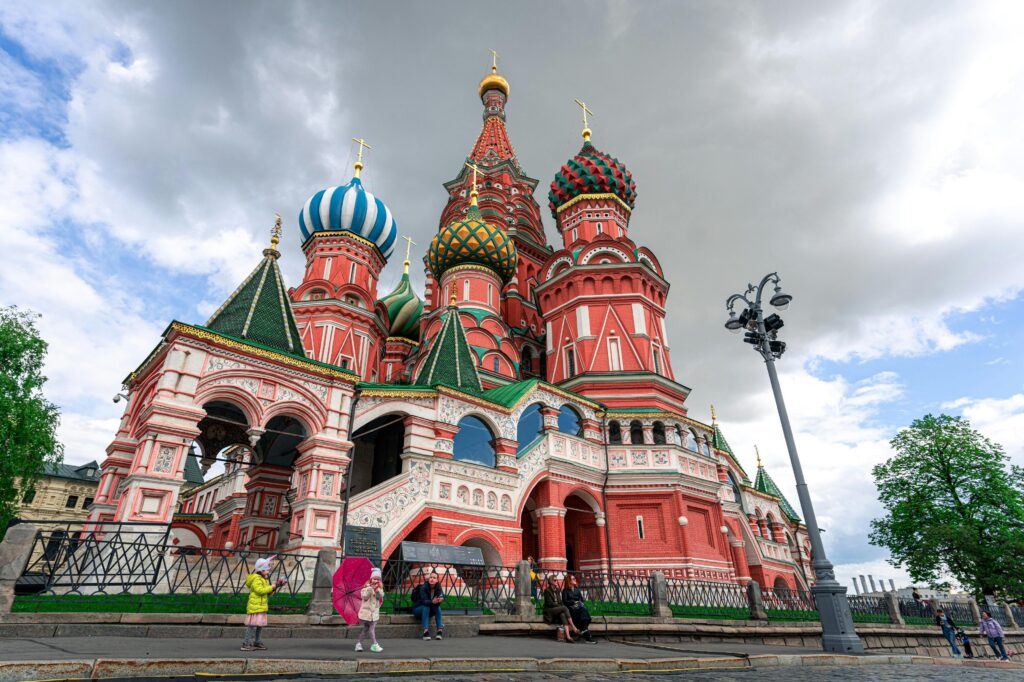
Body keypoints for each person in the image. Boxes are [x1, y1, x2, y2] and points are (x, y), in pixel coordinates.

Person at [241, 556, 286, 652]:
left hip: (261, 606)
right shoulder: (256, 579)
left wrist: (276, 586)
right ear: (261, 570)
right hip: (255, 606)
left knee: (259, 625)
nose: (268, 572)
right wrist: (271, 587)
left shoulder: (263, 580)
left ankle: (257, 642)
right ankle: (246, 643)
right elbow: (260, 591)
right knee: (252, 626)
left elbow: (266, 593)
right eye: (266, 570)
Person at [542, 575, 580, 642]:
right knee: (564, 608)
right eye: (555, 580)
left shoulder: (557, 590)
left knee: (562, 614)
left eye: (556, 580)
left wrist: (560, 606)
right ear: (551, 582)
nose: (556, 581)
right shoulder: (547, 591)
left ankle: (568, 637)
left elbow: (560, 601)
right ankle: (574, 627)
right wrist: (560, 606)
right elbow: (550, 603)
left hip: (557, 609)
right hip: (549, 610)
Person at [355, 567, 385, 653]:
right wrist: (370, 589)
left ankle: (358, 644)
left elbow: (380, 597)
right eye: (374, 578)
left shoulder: (379, 589)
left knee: (367, 630)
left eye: (378, 579)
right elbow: (364, 597)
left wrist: (377, 590)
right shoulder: (365, 588)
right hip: (366, 614)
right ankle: (375, 644)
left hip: (374, 614)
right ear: (371, 579)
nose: (376, 580)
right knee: (369, 629)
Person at [562, 574, 596, 644]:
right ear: (569, 581)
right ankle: (587, 635)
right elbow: (565, 601)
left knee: (584, 611)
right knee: (584, 611)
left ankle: (584, 631)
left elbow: (582, 600)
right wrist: (574, 602)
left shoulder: (577, 590)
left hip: (579, 608)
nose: (575, 579)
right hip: (571, 609)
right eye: (573, 579)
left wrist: (580, 603)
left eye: (574, 578)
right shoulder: (565, 591)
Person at [412, 571, 444, 641]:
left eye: (434, 578)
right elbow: (424, 601)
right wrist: (433, 601)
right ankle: (425, 631)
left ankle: (439, 631)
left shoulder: (438, 588)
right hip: (418, 609)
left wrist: (440, 600)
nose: (432, 579)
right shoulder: (424, 587)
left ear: (437, 580)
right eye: (431, 577)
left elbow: (440, 597)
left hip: (430, 609)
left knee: (437, 607)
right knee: (426, 606)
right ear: (428, 579)